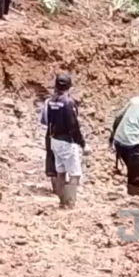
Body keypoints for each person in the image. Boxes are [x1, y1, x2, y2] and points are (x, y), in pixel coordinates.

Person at [42, 74, 86, 209]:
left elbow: (46, 121)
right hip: (67, 141)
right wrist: (82, 143)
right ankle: (70, 203)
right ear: (69, 86)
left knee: (60, 172)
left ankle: (62, 202)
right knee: (75, 174)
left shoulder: (50, 101)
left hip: (54, 140)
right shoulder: (68, 102)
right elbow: (73, 126)